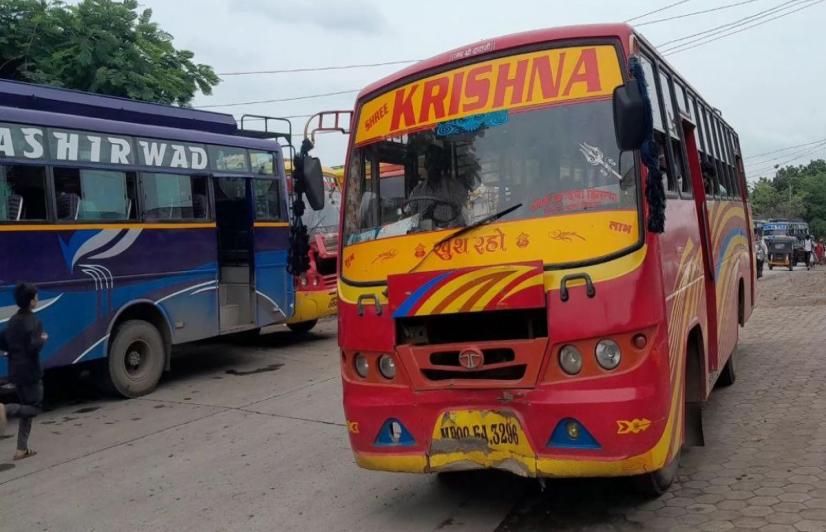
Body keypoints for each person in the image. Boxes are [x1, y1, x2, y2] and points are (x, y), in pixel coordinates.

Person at [0, 283, 48, 460]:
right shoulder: (35, 322)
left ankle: (22, 449)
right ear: (31, 301)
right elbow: (33, 347)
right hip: (30, 373)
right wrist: (43, 339)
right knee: (34, 408)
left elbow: (3, 340)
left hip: (15, 372)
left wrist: (10, 350)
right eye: (36, 296)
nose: (37, 299)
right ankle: (5, 409)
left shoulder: (13, 320)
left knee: (25, 409)